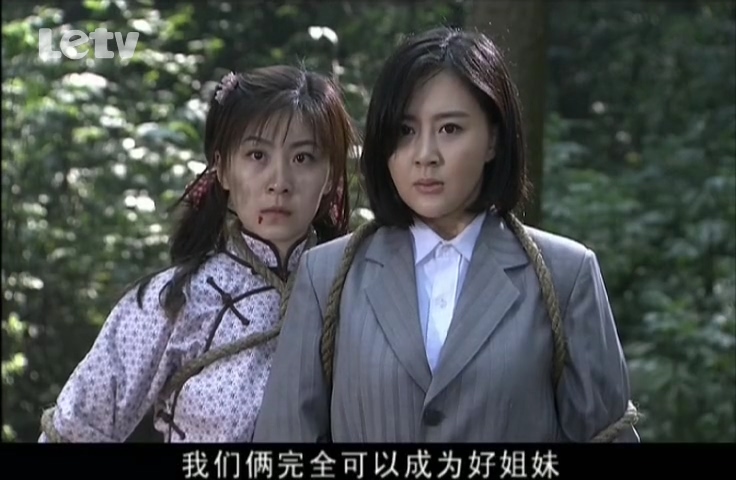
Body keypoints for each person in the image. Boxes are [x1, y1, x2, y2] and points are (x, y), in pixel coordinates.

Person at [252, 27, 640, 443]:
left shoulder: (566, 275)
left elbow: (608, 435)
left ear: (493, 139)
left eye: (450, 129)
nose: (425, 156)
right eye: (405, 131)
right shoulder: (327, 275)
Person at [38, 65, 356, 442]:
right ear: (222, 168)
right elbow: (72, 429)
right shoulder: (174, 300)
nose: (279, 182)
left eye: (303, 158)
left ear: (330, 175)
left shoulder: (358, 291)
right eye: (257, 155)